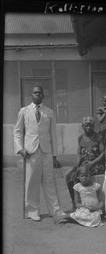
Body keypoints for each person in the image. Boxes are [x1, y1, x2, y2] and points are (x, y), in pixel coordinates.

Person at [14, 85, 65, 221]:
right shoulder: (24, 111)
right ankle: (32, 211)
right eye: (35, 93)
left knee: (49, 181)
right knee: (32, 181)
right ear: (31, 95)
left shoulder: (49, 112)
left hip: (46, 151)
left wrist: (55, 155)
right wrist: (20, 149)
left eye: (40, 93)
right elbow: (18, 131)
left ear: (43, 95)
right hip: (31, 152)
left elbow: (53, 134)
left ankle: (55, 210)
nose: (37, 95)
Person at [66, 116, 105, 209]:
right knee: (70, 177)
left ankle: (82, 203)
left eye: (90, 125)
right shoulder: (80, 138)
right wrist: (77, 163)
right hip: (84, 164)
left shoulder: (98, 137)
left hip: (96, 164)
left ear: (93, 126)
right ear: (82, 126)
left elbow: (102, 153)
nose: (88, 127)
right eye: (86, 125)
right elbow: (79, 153)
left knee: (81, 175)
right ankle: (74, 201)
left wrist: (92, 163)